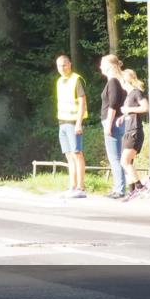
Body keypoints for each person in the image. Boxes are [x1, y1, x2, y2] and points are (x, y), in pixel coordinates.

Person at [55, 55, 87, 198]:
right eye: (59, 66)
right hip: (62, 122)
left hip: (74, 122)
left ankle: (81, 187)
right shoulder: (59, 81)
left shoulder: (77, 80)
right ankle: (72, 186)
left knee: (77, 153)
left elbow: (82, 103)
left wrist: (79, 123)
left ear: (70, 64)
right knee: (68, 155)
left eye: (64, 65)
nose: (62, 68)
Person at [117, 69, 149, 199]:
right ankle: (132, 190)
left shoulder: (136, 93)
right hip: (128, 130)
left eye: (121, 82)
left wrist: (128, 109)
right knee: (126, 161)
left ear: (126, 81)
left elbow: (145, 107)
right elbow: (130, 111)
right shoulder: (129, 96)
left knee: (125, 161)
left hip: (135, 131)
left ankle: (140, 187)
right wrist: (123, 117)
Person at [99, 54, 127, 199]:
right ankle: (119, 187)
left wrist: (108, 125)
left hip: (112, 122)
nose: (100, 67)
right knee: (117, 156)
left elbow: (113, 104)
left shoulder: (113, 82)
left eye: (102, 65)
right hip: (116, 121)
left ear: (109, 66)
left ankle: (120, 189)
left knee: (115, 157)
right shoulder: (117, 81)